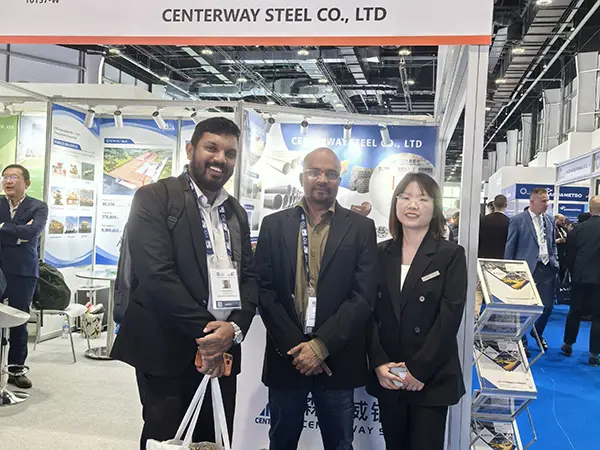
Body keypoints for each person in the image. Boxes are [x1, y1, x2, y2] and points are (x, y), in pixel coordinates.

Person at [111, 117, 259, 449]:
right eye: (211, 148)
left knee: (213, 439)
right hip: (167, 347)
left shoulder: (235, 211)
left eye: (230, 153)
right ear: (191, 149)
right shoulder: (154, 198)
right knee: (166, 439)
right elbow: (156, 276)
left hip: (224, 350)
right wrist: (210, 335)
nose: (220, 159)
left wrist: (234, 329)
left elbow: (249, 277)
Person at [255, 147, 377, 450]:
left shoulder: (361, 228)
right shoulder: (274, 224)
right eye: (314, 172)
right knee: (281, 442)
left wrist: (321, 345)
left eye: (331, 174)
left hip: (337, 359)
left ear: (339, 181)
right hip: (288, 358)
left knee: (340, 444)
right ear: (302, 177)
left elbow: (363, 296)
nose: (322, 179)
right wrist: (297, 349)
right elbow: (264, 290)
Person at [367, 173, 467, 450]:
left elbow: (449, 317)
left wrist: (418, 371)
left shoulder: (450, 255)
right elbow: (367, 312)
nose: (412, 205)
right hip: (390, 372)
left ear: (435, 207)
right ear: (395, 203)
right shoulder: (379, 253)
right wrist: (379, 363)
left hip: (430, 376)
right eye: (405, 197)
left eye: (422, 199)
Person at [0, 164, 48, 389]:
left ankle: (16, 370)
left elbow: (33, 231)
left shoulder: (38, 206)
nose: (8, 181)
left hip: (23, 271)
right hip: (0, 269)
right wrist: (19, 235)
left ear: (27, 183)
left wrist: (3, 228)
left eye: (13, 177)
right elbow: (25, 233)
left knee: (19, 320)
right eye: (5, 177)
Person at [505, 187, 559, 352]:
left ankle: (537, 332)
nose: (546, 204)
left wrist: (555, 260)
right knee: (522, 308)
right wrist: (509, 269)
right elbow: (510, 246)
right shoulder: (518, 220)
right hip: (525, 269)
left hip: (547, 268)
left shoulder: (549, 220)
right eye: (543, 201)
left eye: (547, 201)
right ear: (532, 202)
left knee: (547, 308)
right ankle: (521, 340)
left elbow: (552, 244)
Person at [562, 196, 600, 366]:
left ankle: (568, 344)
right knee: (598, 316)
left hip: (580, 277)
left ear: (590, 209)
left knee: (574, 311)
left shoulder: (577, 230)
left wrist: (573, 273)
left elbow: (569, 256)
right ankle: (594, 354)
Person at [476, 194, 510, 317]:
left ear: (493, 205)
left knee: (479, 290)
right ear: (506, 205)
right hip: (501, 262)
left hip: (483, 260)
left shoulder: (482, 220)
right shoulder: (509, 222)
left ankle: (475, 316)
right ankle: (495, 317)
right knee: (498, 291)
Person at [555, 213, 569, 281]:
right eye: (561, 220)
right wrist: (556, 241)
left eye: (564, 220)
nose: (563, 222)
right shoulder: (552, 229)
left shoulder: (565, 229)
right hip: (556, 253)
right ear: (555, 220)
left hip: (564, 254)